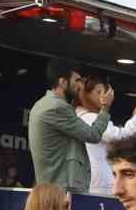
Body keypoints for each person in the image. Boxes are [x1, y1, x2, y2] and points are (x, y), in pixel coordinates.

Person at [28, 62, 108, 192]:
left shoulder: (41, 104)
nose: (80, 86)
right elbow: (93, 135)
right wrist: (105, 108)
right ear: (62, 82)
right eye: (77, 81)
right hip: (61, 190)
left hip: (50, 188)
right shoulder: (58, 107)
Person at [79, 75, 136, 195]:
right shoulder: (89, 118)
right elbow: (121, 138)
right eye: (98, 92)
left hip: (97, 182)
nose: (102, 97)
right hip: (99, 185)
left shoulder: (84, 117)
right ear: (85, 95)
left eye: (104, 93)